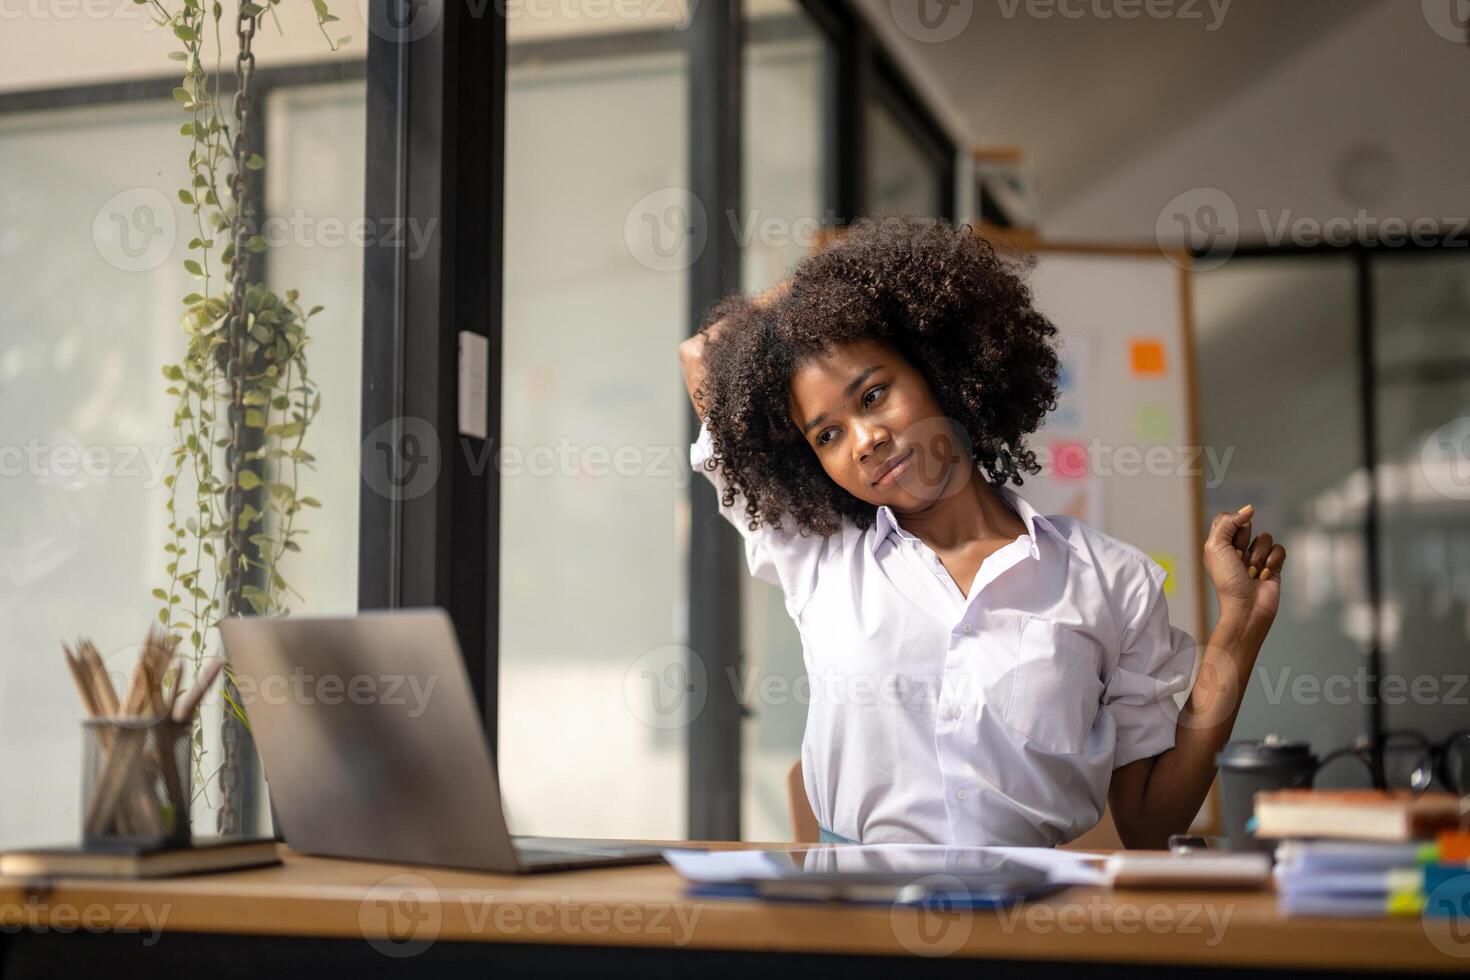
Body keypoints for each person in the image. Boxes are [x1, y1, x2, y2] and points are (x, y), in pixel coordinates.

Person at [678, 215, 1286, 849]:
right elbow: (701, 353)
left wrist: (1239, 627)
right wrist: (828, 287)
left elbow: (1148, 822)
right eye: (827, 434)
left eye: (875, 394)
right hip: (856, 923)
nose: (865, 440)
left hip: (1034, 926)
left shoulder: (1111, 580)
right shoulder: (819, 554)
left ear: (939, 371)